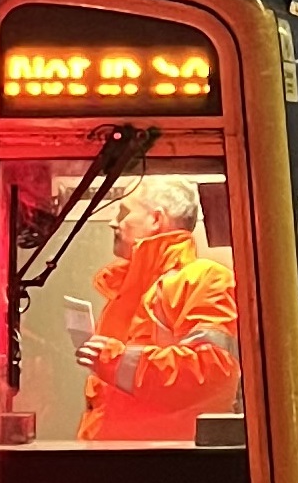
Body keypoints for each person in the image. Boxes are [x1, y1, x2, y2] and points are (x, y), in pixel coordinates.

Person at [78, 177, 239, 442]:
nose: (113, 222)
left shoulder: (204, 280)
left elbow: (211, 372)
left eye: (123, 212)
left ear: (156, 219)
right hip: (113, 462)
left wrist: (115, 360)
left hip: (170, 466)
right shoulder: (128, 290)